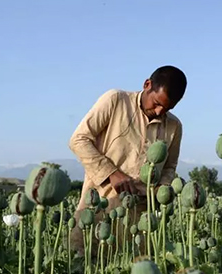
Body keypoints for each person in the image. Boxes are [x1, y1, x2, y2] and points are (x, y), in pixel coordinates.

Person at [68, 65, 187, 257]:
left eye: (166, 108)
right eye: (156, 103)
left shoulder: (174, 126)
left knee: (128, 272)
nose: (158, 112)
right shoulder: (116, 101)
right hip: (98, 204)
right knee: (83, 265)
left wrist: (161, 190)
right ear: (147, 84)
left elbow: (169, 167)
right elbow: (79, 140)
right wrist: (111, 173)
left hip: (139, 217)